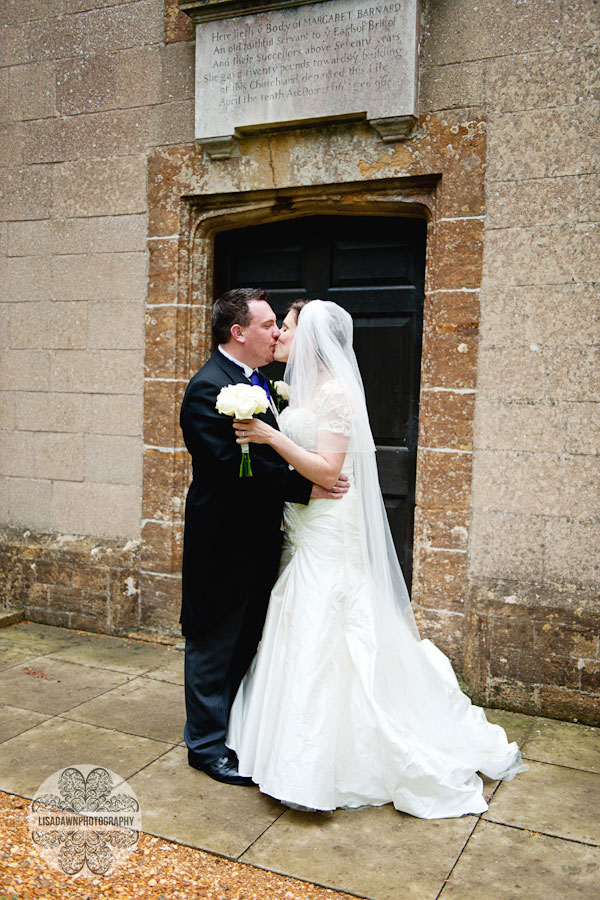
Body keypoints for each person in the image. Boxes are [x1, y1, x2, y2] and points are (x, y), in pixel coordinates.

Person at [226, 299, 528, 818]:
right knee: (300, 621)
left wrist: (270, 435)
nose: (278, 335)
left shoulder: (338, 395)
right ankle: (283, 748)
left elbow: (328, 470)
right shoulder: (300, 390)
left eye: (288, 327)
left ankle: (326, 761)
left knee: (332, 624)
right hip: (306, 526)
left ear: (313, 337)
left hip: (329, 528)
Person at [179, 289, 349, 785]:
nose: (278, 332)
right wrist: (309, 485)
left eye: (281, 325)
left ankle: (229, 729)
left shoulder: (260, 383)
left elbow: (276, 449)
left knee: (245, 640)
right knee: (213, 639)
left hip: (262, 541)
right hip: (224, 544)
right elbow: (233, 470)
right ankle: (206, 747)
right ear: (240, 332)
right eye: (269, 323)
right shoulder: (209, 388)